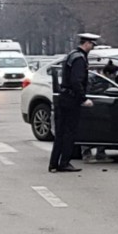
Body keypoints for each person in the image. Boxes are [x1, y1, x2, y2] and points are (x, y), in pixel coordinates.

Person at [48, 33, 99, 173]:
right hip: (71, 100)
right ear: (87, 43)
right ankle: (64, 162)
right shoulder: (79, 59)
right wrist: (83, 98)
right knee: (70, 132)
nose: (92, 48)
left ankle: (53, 163)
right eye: (92, 45)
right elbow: (77, 81)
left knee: (60, 132)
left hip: (63, 97)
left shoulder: (71, 55)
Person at [82, 60, 118, 164]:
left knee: (103, 131)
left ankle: (100, 153)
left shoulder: (108, 82)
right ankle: (87, 154)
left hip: (104, 110)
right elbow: (88, 94)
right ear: (107, 73)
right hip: (92, 109)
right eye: (113, 75)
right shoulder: (95, 80)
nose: (114, 77)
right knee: (89, 131)